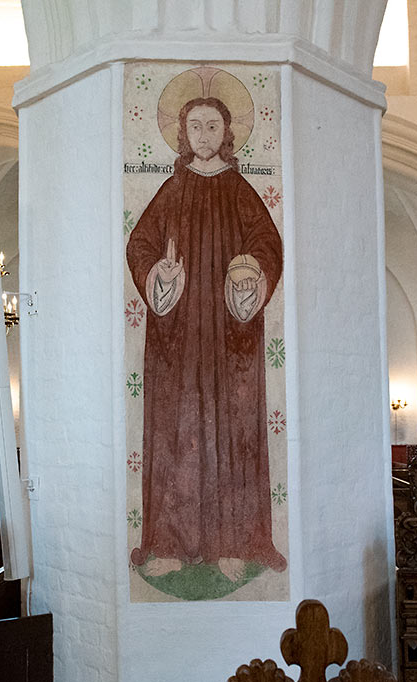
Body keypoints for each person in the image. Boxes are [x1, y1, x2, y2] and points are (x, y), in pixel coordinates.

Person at [126, 96, 286, 583]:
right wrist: (161, 274)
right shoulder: (171, 189)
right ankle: (170, 544)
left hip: (230, 336)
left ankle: (234, 544)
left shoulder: (240, 189)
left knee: (234, 428)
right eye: (193, 125)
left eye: (211, 125)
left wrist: (251, 272)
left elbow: (268, 243)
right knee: (176, 431)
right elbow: (140, 244)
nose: (202, 134)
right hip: (177, 339)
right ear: (182, 132)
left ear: (227, 131)